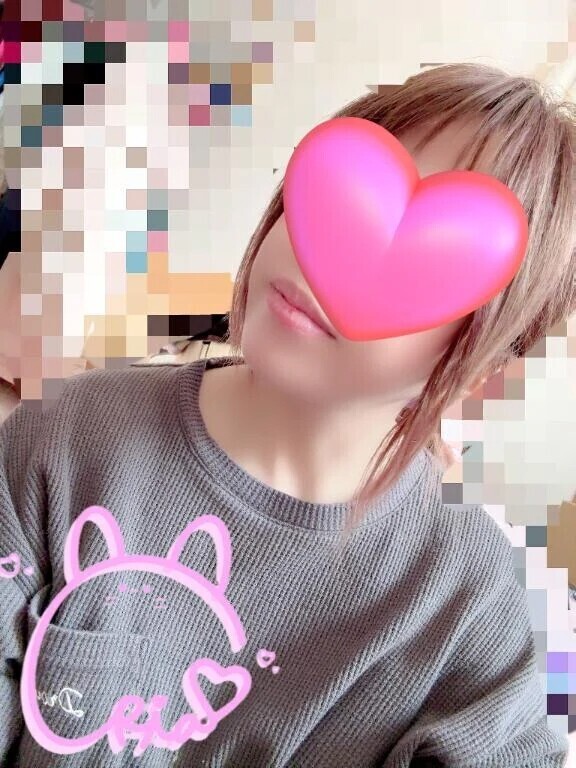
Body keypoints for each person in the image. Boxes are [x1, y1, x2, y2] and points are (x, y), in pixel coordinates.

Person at [1, 61, 574, 767]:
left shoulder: (468, 607)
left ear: (482, 367)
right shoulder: (66, 435)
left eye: (425, 258)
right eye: (338, 198)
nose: (320, 258)